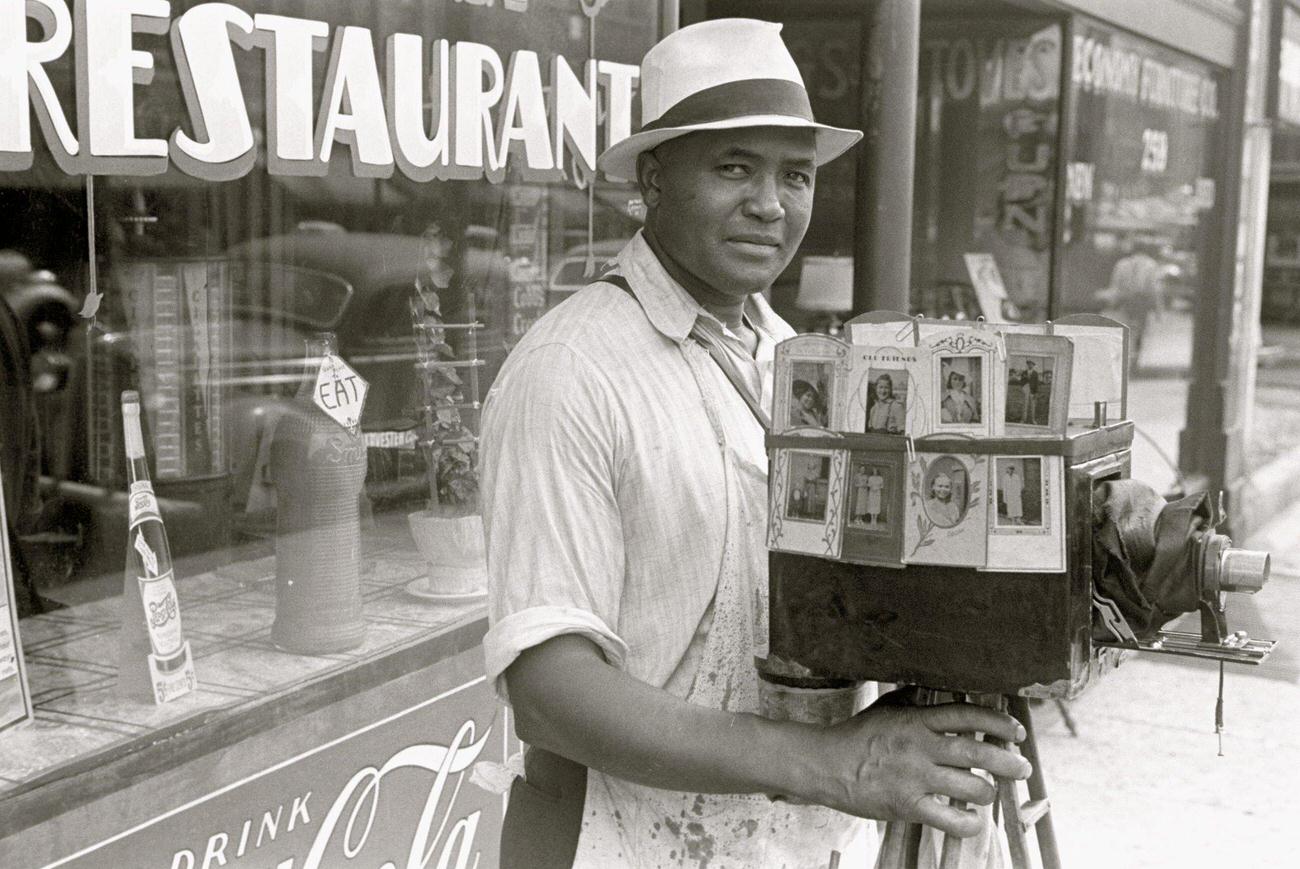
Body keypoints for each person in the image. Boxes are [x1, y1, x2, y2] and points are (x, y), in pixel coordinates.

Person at [480, 19, 1029, 868]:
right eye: (734, 166)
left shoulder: (791, 360)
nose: (771, 204)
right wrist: (833, 763)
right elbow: (550, 692)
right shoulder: (571, 368)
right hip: (616, 846)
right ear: (653, 179)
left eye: (796, 175)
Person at [1019, 360, 1040, 425]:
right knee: (1025, 404)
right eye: (1029, 364)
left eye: (1031, 364)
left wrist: (1036, 392)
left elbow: (1036, 383)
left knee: (1032, 405)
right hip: (1026, 388)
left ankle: (1033, 420)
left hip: (1032, 390)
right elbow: (1021, 381)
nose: (1030, 365)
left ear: (1033, 365)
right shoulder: (1024, 372)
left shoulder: (1035, 373)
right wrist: (1023, 387)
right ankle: (1023, 419)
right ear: (1027, 365)